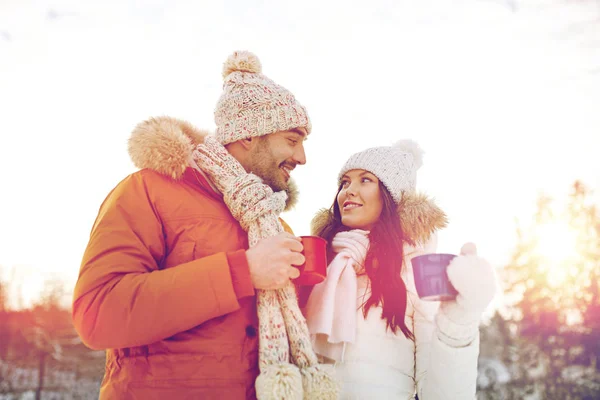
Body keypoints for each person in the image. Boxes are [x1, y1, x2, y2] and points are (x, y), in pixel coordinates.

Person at [72, 51, 336, 400]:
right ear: (248, 136)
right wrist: (242, 271)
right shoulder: (148, 191)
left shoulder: (274, 226)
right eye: (292, 139)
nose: (302, 157)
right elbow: (98, 314)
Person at [303, 140, 497, 399]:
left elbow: (440, 391)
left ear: (391, 196)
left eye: (365, 180)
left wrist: (459, 320)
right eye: (345, 182)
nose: (349, 190)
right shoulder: (319, 260)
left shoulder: (415, 270)